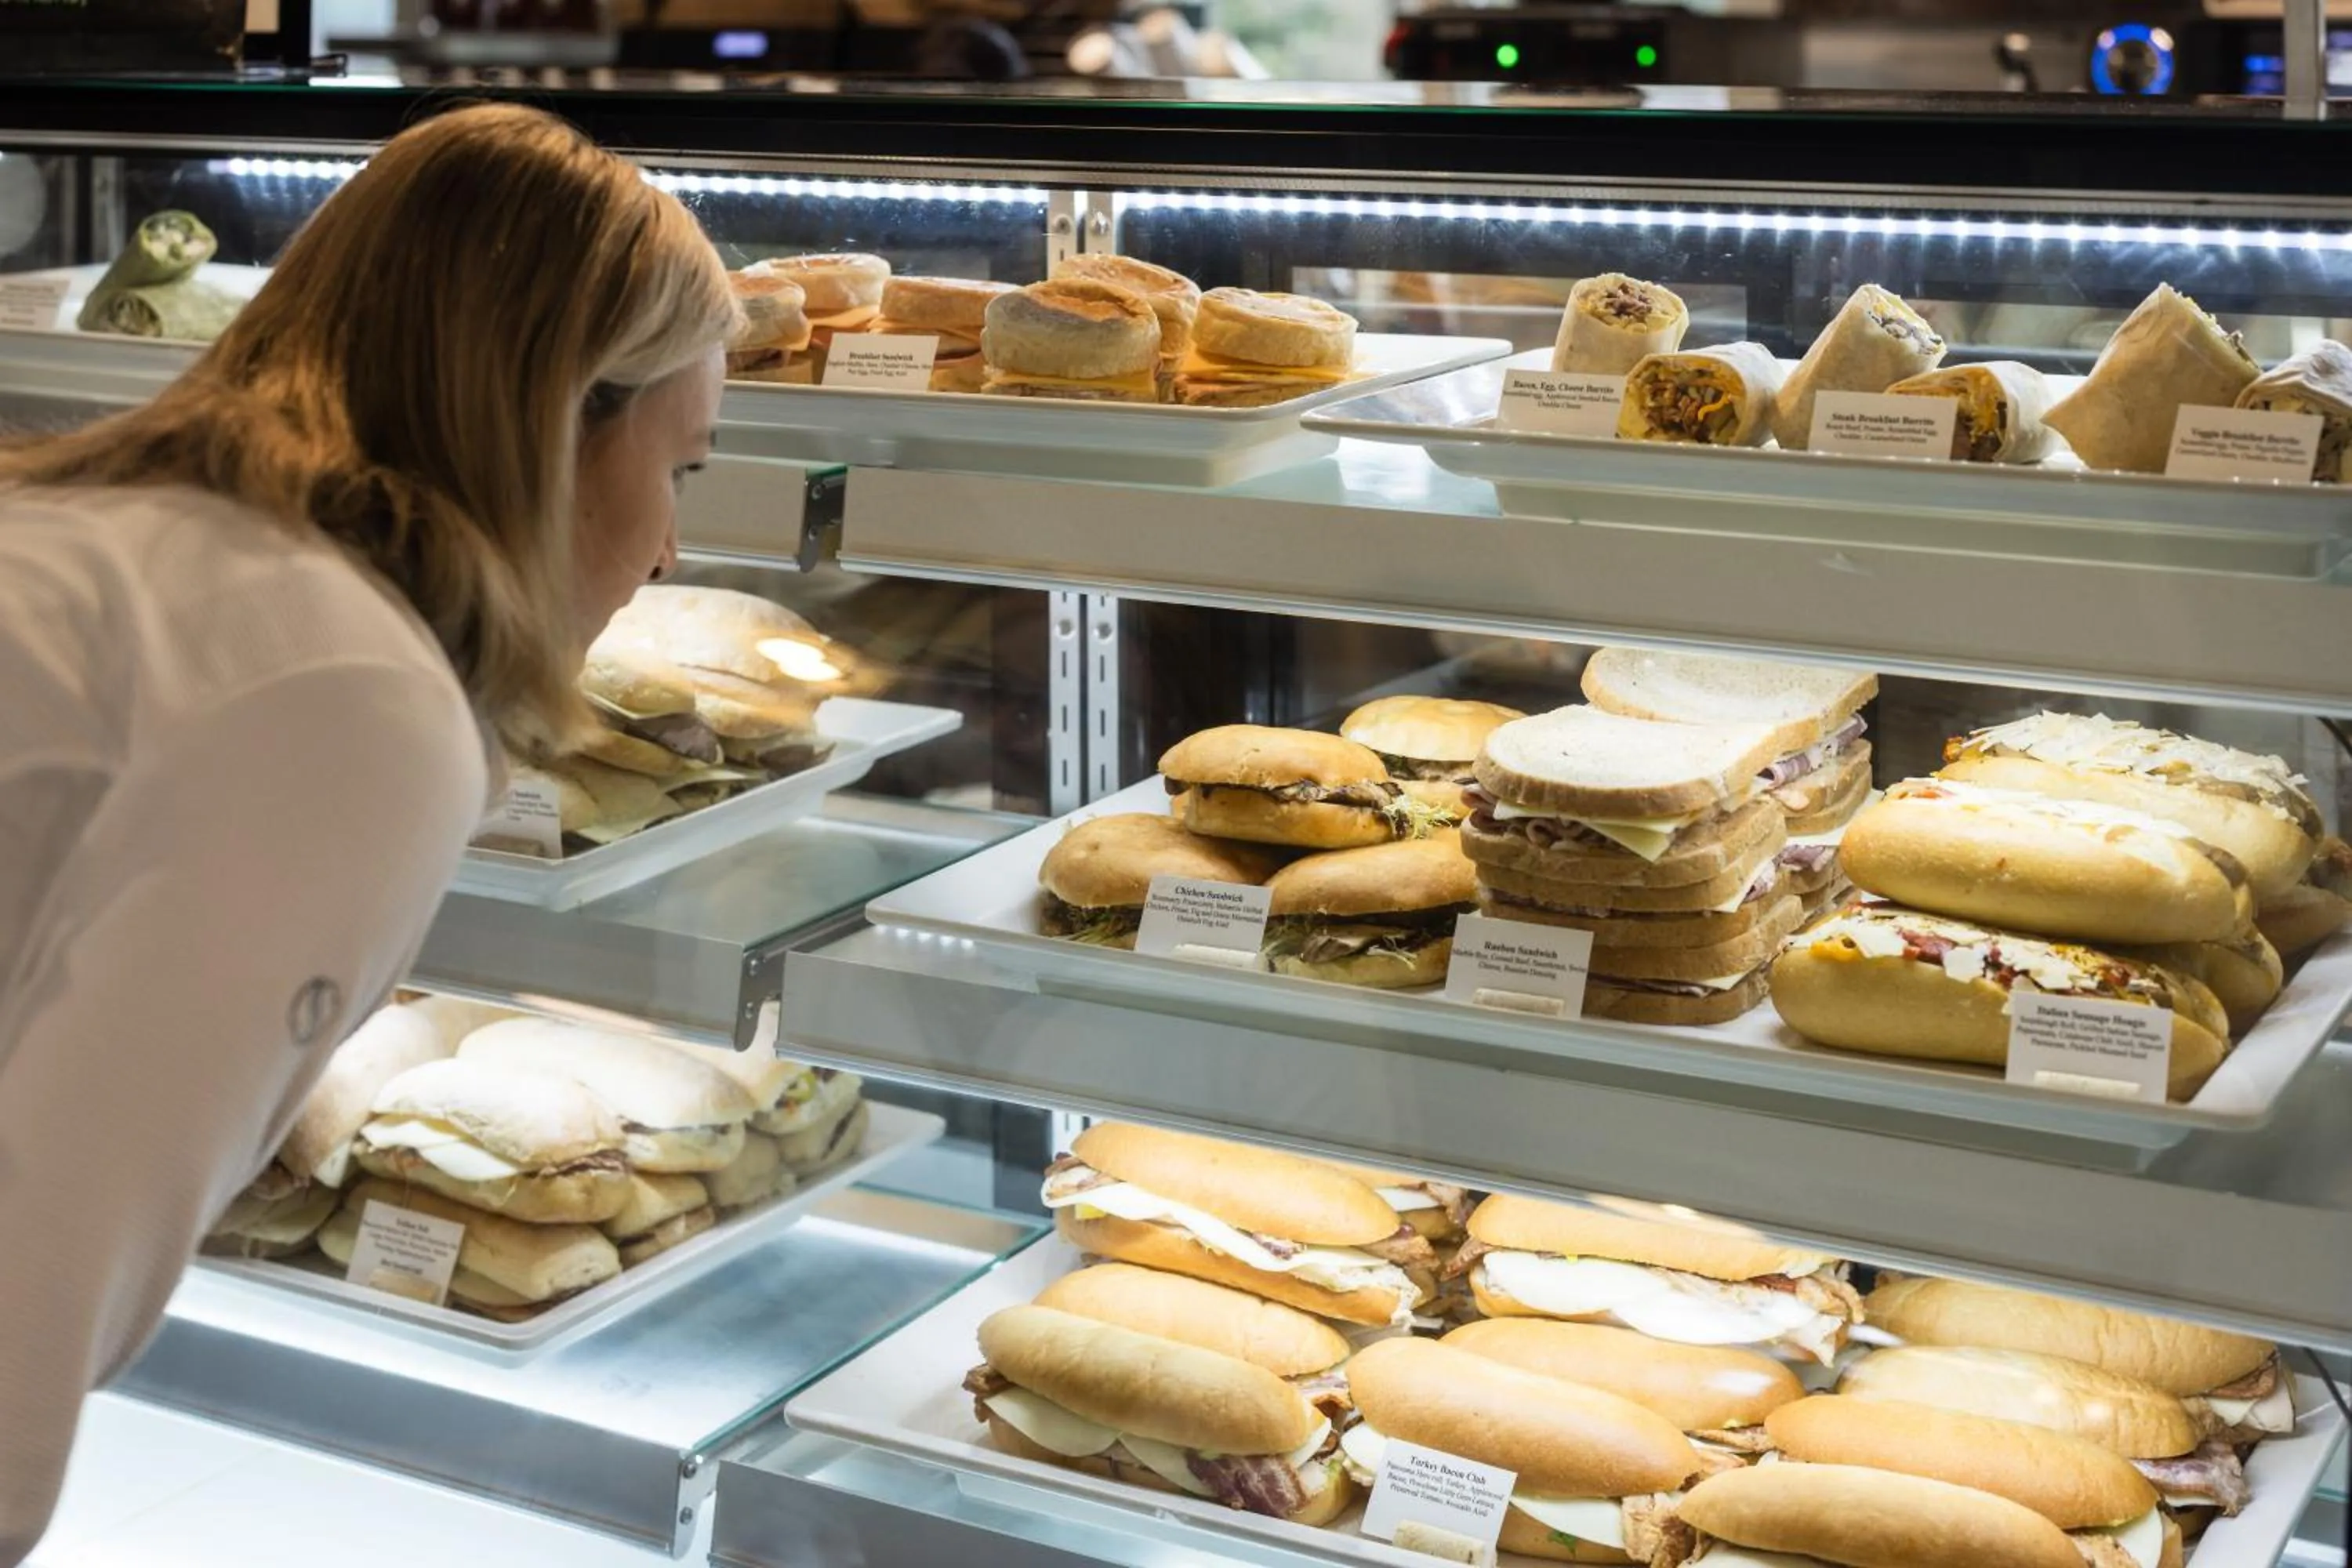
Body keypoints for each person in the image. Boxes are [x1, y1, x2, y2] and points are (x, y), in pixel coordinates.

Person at [0, 103, 734, 1561]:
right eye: (685, 467)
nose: (670, 550)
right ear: (559, 419)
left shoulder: (133, 546)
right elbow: (29, 1288)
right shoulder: (344, 698)